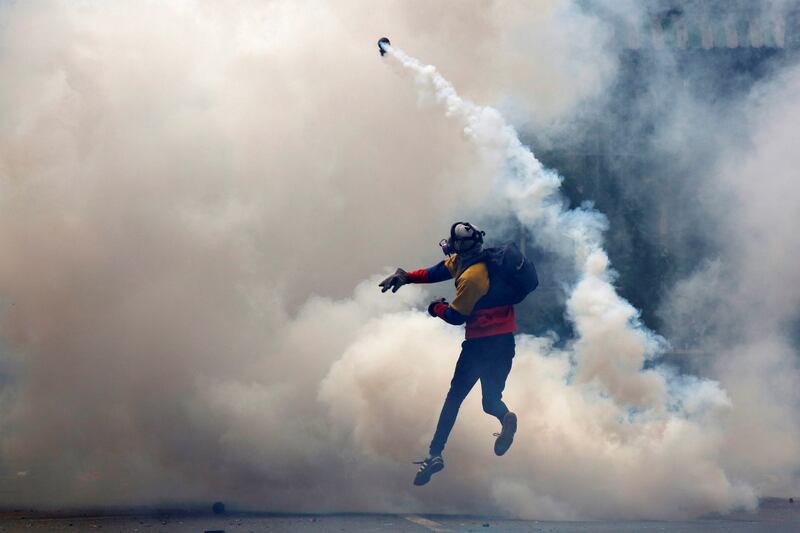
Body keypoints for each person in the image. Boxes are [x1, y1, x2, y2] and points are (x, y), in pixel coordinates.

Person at [379, 222, 518, 486]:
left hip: (480, 346)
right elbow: (438, 271)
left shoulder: (472, 278)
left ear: (461, 247)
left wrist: (435, 308)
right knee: (490, 401)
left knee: (454, 399)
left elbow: (456, 317)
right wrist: (406, 276)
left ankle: (435, 454)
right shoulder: (481, 261)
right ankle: (505, 417)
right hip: (505, 343)